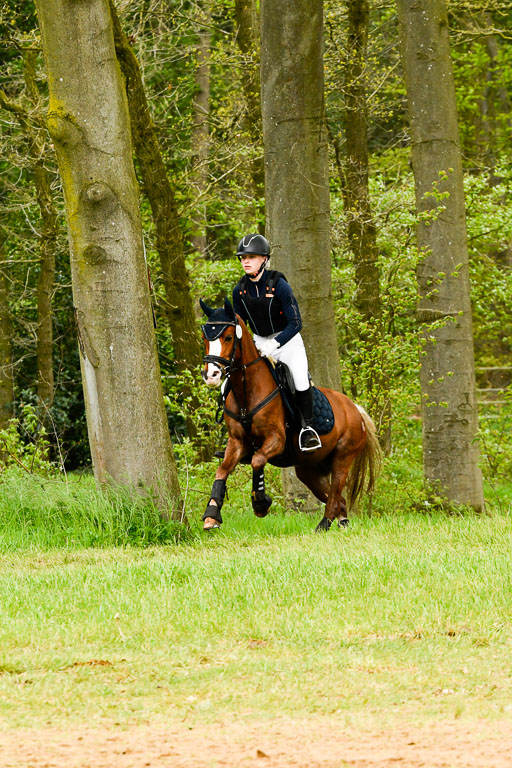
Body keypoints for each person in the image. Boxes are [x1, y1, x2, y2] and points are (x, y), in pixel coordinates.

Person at [232, 233, 321, 452]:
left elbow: (296, 322)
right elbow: (239, 324)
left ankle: (307, 430)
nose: (246, 261)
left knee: (300, 379)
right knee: (233, 379)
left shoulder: (279, 285)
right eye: (243, 257)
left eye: (251, 257)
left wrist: (275, 344)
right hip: (258, 342)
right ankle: (236, 432)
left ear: (264, 259)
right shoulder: (239, 291)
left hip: (287, 340)